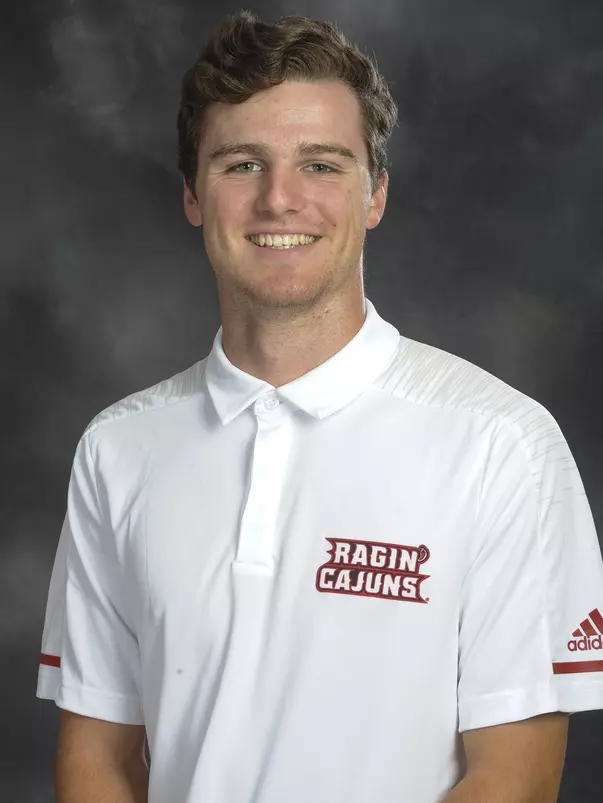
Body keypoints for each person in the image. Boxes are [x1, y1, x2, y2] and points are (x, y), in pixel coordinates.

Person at [37, 10, 603, 803]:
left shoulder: (502, 444)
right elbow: (96, 759)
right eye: (240, 165)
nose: (279, 199)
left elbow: (514, 778)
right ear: (193, 195)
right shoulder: (118, 449)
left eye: (321, 165)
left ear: (374, 194)